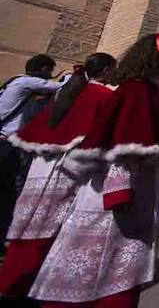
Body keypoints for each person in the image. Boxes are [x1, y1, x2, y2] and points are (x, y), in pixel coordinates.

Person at [29, 34, 159, 307]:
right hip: (118, 200)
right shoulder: (137, 91)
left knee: (118, 268)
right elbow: (124, 145)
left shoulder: (148, 90)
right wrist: (119, 192)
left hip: (136, 196)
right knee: (102, 269)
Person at [0, 53, 116, 297]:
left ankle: (11, 282)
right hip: (66, 169)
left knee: (27, 226)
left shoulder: (66, 91)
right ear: (106, 71)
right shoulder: (104, 96)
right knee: (49, 230)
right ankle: (27, 288)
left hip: (40, 166)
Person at [0, 54, 64, 243]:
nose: (50, 75)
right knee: (8, 188)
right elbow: (61, 87)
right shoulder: (27, 83)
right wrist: (70, 75)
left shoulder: (15, 81)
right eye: (49, 71)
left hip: (6, 141)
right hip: (6, 144)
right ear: (44, 69)